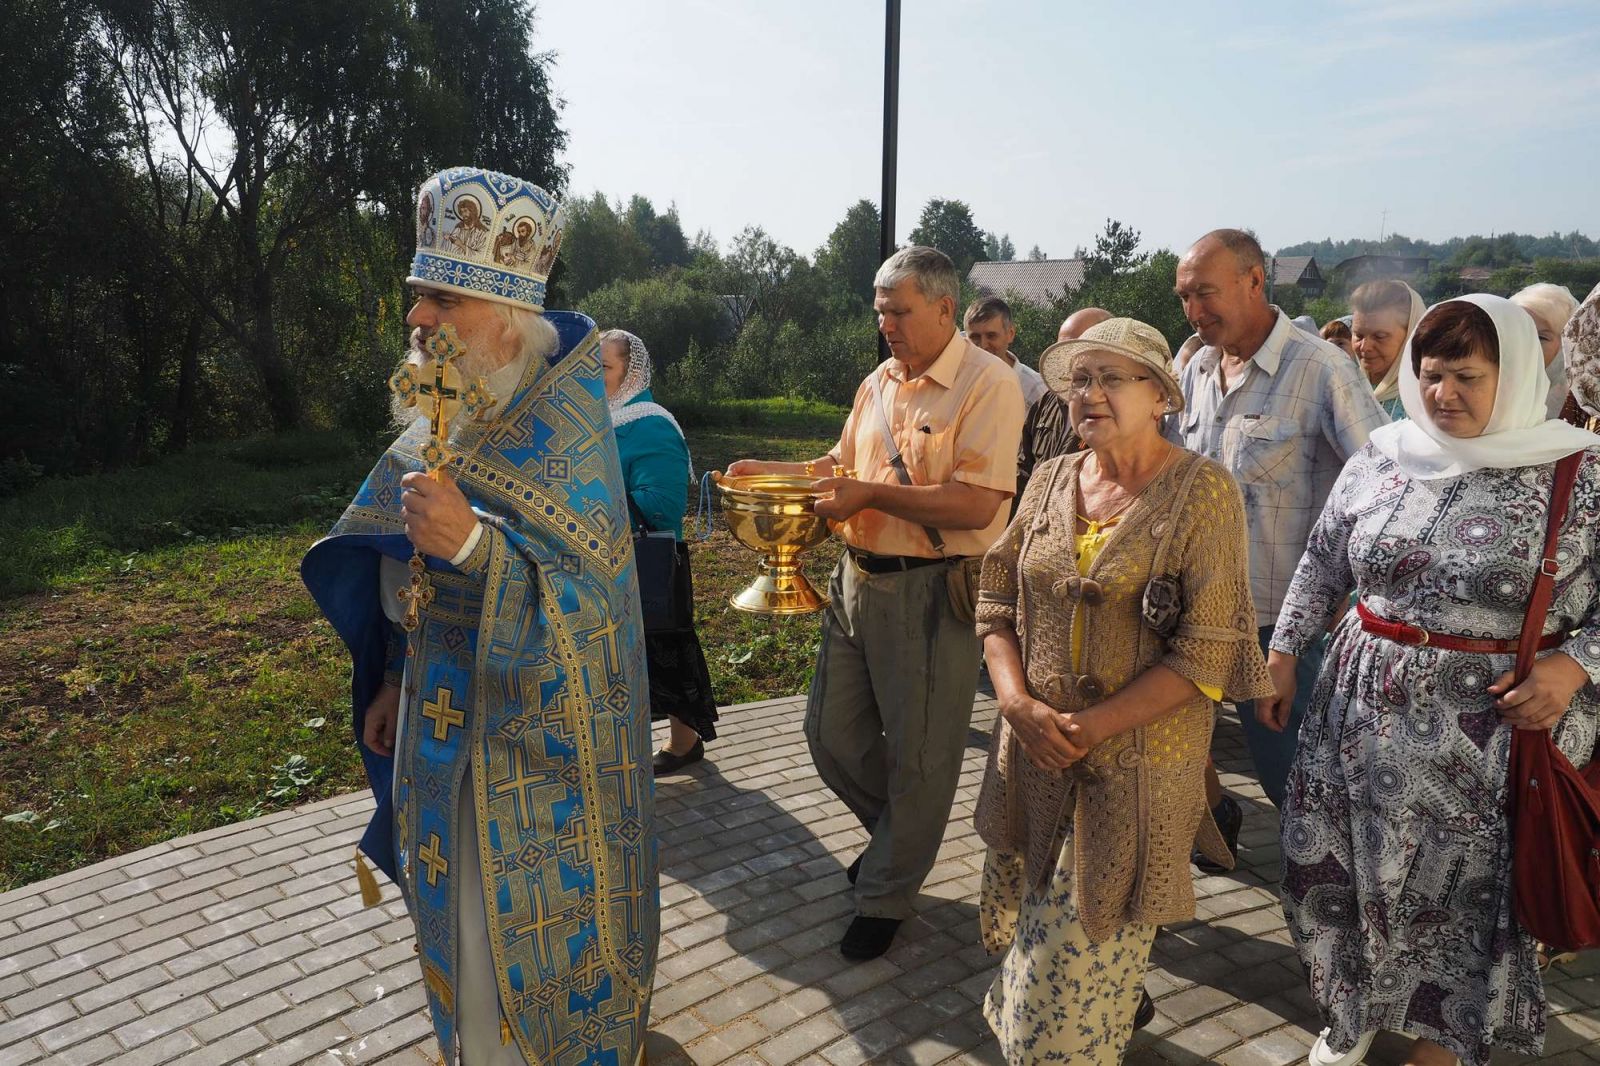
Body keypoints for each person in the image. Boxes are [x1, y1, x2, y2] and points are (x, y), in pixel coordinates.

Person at [302, 168, 656, 1066]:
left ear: (505, 315)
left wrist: (479, 551)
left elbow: (594, 630)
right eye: (419, 295)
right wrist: (389, 675)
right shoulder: (441, 414)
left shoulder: (570, 444)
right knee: (453, 947)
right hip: (435, 733)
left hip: (538, 779)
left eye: (441, 297)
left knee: (512, 969)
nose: (418, 317)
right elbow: (396, 563)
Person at [1264, 294, 1600, 1066]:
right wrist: (1283, 650)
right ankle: (1351, 1013)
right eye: (1433, 373)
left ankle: (1439, 1044)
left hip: (1485, 738)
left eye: (1468, 377)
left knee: (1454, 901)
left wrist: (1574, 664)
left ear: (1514, 375)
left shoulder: (1578, 473)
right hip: (1358, 712)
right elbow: (1323, 559)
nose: (1444, 393)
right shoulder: (1385, 451)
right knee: (1339, 868)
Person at [975, 317, 1274, 1065]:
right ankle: (1097, 1016)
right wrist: (1015, 702)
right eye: (1081, 378)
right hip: (1032, 761)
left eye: (1113, 378)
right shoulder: (1049, 478)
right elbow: (996, 604)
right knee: (1030, 957)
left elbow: (1208, 650)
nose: (1091, 393)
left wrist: (1093, 725)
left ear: (1161, 395)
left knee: (1061, 1000)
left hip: (1134, 775)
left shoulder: (1202, 494)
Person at [728, 246, 1025, 960]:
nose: (886, 324)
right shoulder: (878, 382)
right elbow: (840, 465)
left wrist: (870, 494)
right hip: (854, 582)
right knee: (828, 734)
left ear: (945, 307)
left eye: (899, 311)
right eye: (880, 311)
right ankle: (900, 841)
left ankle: (887, 893)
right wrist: (768, 470)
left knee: (922, 760)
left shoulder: (989, 384)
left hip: (931, 591)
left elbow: (979, 501)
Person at [1171, 228, 1388, 817]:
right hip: (1198, 612)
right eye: (1183, 297)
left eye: (1205, 293)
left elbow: (1383, 486)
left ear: (1255, 281)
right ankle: (1222, 831)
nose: (1193, 311)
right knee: (1172, 757)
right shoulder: (1195, 371)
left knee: (1295, 784)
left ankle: (1322, 898)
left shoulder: (1322, 369)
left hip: (1282, 628)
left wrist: (1349, 596)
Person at [599, 328, 719, 774]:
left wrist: (594, 498)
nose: (595, 376)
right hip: (608, 557)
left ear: (631, 373)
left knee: (663, 651)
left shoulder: (650, 423)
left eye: (605, 368)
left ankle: (684, 745)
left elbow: (664, 505)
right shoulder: (600, 418)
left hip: (648, 561)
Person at [1018, 307, 1112, 499]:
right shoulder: (1045, 402)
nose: (1065, 358)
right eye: (1060, 349)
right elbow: (1022, 468)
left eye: (1074, 349)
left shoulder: (1116, 408)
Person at [1350, 279, 1427, 420]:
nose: (1365, 347)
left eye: (1379, 336)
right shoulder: (1343, 385)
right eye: (1358, 335)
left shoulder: (1428, 402)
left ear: (1411, 335)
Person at [1510, 282, 1580, 418]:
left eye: (1541, 337)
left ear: (1566, 345)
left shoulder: (1582, 408)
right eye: (1518, 333)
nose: (1526, 343)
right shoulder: (1483, 389)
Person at [965, 295, 1047, 407]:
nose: (983, 345)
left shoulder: (1035, 390)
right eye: (975, 337)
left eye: (991, 336)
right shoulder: (956, 381)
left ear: (1010, 334)